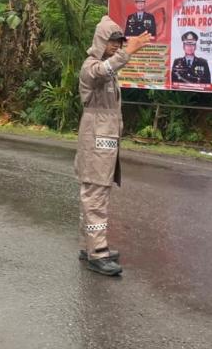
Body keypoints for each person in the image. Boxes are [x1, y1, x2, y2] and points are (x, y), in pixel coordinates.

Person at [75, 16, 152, 276]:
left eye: (120, 42)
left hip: (104, 142)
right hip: (96, 142)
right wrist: (128, 52)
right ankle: (97, 253)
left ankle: (90, 246)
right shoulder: (91, 67)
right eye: (113, 41)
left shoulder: (108, 68)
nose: (117, 46)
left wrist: (124, 52)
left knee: (98, 193)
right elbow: (101, 72)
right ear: (100, 41)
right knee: (95, 196)